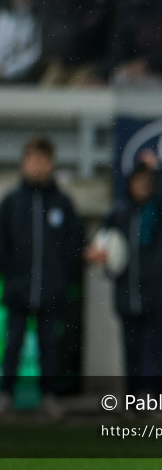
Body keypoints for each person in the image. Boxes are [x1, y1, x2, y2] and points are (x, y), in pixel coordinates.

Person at [0, 136, 83, 411]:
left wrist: (61, 279)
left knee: (50, 345)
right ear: (24, 163)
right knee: (13, 343)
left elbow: (74, 245)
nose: (37, 166)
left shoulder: (62, 202)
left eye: (43, 161)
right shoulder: (11, 202)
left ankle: (49, 396)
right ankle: (6, 394)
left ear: (51, 164)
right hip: (18, 289)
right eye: (32, 160)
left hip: (51, 290)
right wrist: (11, 276)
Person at [85, 149, 162, 382]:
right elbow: (102, 244)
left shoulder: (160, 212)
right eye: (138, 181)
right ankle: (132, 403)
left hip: (157, 296)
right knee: (131, 353)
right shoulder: (119, 213)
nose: (141, 186)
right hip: (128, 296)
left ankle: (161, 403)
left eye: (147, 181)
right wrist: (96, 255)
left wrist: (156, 170)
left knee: (159, 352)